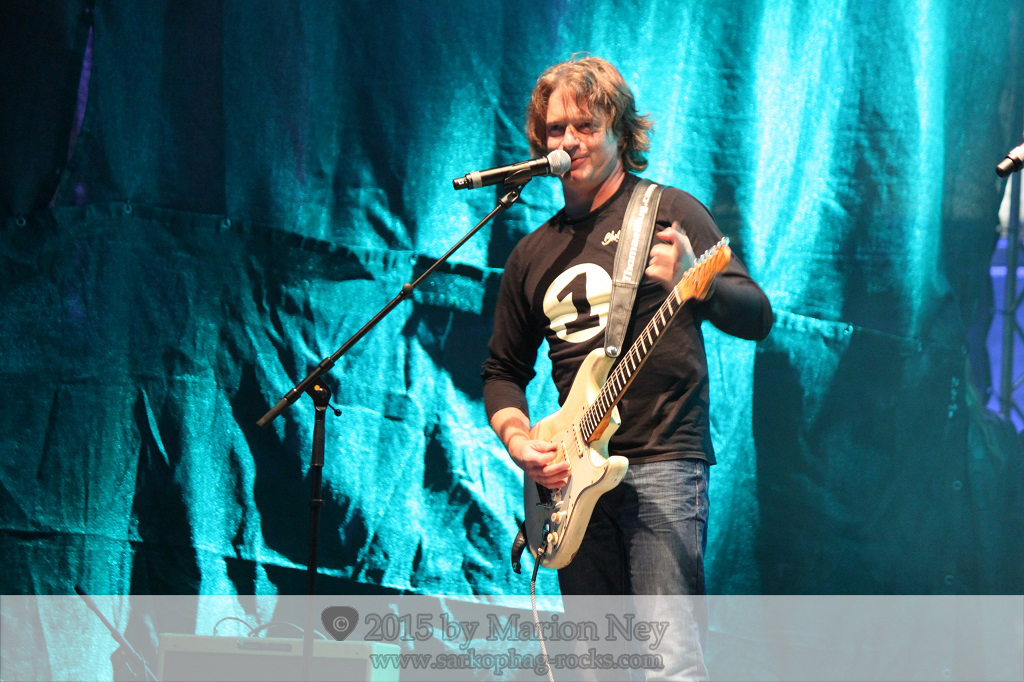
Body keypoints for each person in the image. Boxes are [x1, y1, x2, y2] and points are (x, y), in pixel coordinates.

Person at [481, 56, 773, 680]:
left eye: (585, 126)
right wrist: (520, 442)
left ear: (619, 131)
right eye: (556, 129)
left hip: (662, 460)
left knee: (670, 665)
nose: (568, 141)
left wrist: (699, 282)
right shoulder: (531, 254)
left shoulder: (669, 213)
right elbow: (502, 371)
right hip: (572, 479)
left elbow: (758, 315)